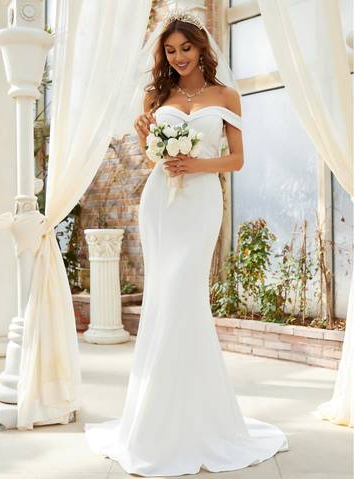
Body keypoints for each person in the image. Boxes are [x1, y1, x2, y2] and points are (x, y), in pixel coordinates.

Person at [84, 9, 288, 477]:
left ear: (202, 48)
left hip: (199, 205)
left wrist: (194, 165)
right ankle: (156, 415)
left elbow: (236, 160)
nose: (178, 58)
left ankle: (196, 416)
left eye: (186, 48)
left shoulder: (226, 95)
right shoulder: (157, 95)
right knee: (164, 299)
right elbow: (151, 155)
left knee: (184, 297)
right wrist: (146, 138)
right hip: (161, 204)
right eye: (170, 51)